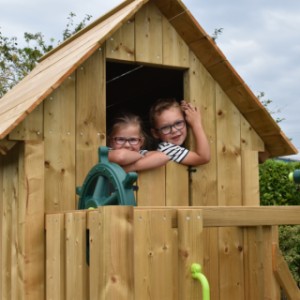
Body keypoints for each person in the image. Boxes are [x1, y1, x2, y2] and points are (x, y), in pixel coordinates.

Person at [149, 98, 210, 166]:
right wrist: (196, 124)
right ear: (155, 133)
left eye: (178, 123)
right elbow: (203, 157)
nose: (174, 130)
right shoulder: (167, 149)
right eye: (165, 127)